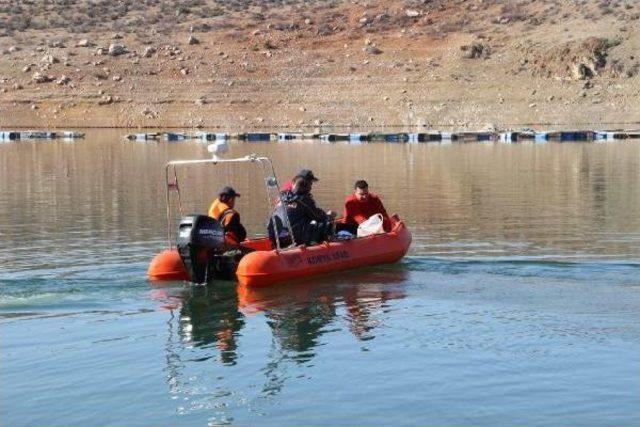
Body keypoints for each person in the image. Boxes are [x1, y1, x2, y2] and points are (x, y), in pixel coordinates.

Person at [269, 176, 336, 247]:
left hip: (275, 237)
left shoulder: (281, 197)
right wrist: (329, 215)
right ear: (308, 189)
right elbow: (318, 216)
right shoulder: (304, 200)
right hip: (292, 238)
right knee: (327, 222)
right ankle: (330, 244)